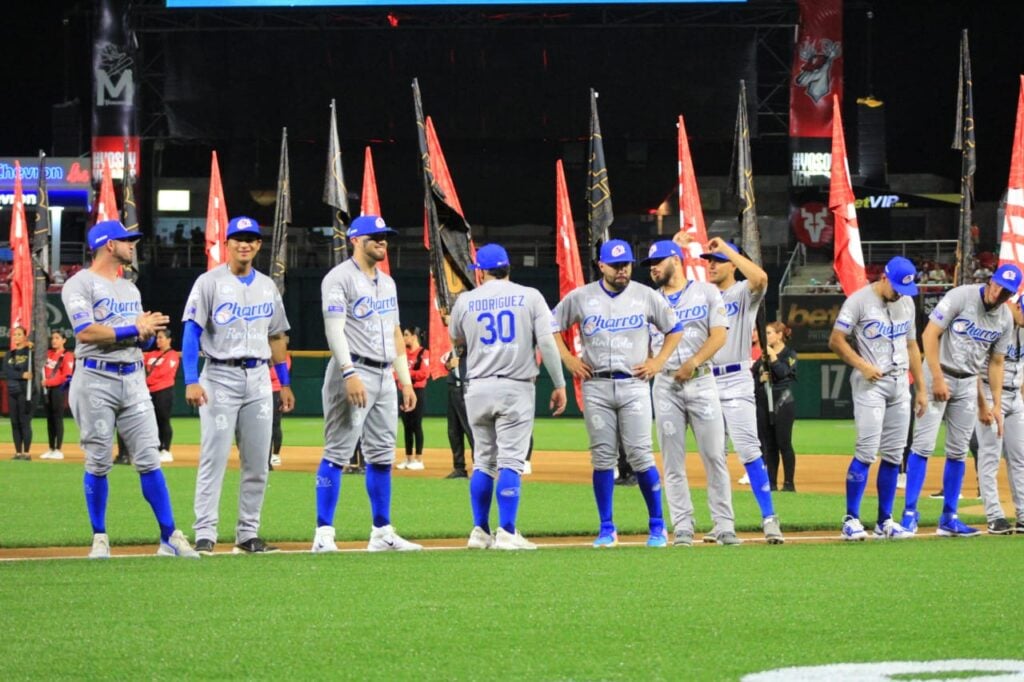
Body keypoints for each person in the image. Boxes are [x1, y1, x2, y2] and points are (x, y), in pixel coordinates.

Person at [60, 219, 197, 559]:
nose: (132, 244)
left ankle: (169, 536)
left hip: (133, 376)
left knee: (150, 458)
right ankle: (100, 537)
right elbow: (86, 333)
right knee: (98, 461)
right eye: (126, 240)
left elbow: (136, 335)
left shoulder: (130, 288)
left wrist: (147, 332)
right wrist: (132, 327)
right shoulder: (79, 284)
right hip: (95, 378)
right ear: (109, 244)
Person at [553, 239, 682, 548]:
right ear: (601, 266)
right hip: (596, 384)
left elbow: (675, 329)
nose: (622, 270)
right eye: (615, 265)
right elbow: (550, 325)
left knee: (640, 455)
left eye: (625, 264)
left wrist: (658, 362)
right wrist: (568, 358)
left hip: (634, 383)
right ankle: (607, 528)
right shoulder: (582, 297)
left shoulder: (646, 296)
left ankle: (657, 526)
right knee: (602, 459)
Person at [183, 216, 294, 555]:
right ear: (227, 243)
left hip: (260, 378)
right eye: (238, 238)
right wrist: (190, 379)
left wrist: (284, 381)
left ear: (259, 245)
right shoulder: (209, 282)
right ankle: (205, 533)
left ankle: (248, 534)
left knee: (258, 462)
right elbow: (191, 331)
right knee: (214, 457)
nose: (244, 244)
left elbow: (276, 335)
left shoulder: (267, 286)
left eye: (251, 239)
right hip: (219, 376)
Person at [312, 215, 421, 553]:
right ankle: (324, 533)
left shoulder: (387, 283)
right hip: (354, 369)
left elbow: (394, 333)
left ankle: (382, 531)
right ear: (354, 240)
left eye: (385, 236)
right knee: (338, 451)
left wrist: (405, 381)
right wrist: (348, 372)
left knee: (382, 455)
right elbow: (334, 329)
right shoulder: (338, 278)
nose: (382, 241)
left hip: (384, 374)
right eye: (375, 236)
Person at [449, 243, 567, 550]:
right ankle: (507, 531)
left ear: (481, 271)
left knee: (484, 462)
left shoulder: (465, 300)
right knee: (511, 462)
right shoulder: (530, 296)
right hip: (515, 386)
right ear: (508, 268)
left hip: (477, 387)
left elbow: (456, 339)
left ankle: (479, 530)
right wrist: (559, 383)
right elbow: (547, 343)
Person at [900, 264, 1019, 536]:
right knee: (923, 446)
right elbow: (929, 334)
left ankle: (949, 518)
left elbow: (997, 363)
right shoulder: (961, 296)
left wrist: (992, 404)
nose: (1000, 293)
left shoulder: (1004, 319)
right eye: (998, 285)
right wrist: (938, 378)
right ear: (991, 281)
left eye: (1007, 292)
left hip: (968, 383)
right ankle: (909, 514)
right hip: (937, 375)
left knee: (958, 451)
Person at [685, 233, 784, 544]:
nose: (711, 265)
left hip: (737, 378)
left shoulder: (743, 292)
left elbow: (760, 277)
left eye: (717, 261)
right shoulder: (702, 296)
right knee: (714, 455)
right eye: (708, 261)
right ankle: (721, 522)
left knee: (750, 450)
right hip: (705, 379)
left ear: (732, 264)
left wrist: (728, 249)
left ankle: (769, 518)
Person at [644, 240, 743, 547]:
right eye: (651, 264)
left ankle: (724, 525)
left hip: (701, 382)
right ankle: (683, 526)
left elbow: (719, 335)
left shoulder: (706, 292)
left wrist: (694, 362)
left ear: (676, 259)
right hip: (665, 386)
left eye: (659, 261)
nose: (654, 268)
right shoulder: (648, 300)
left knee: (715, 456)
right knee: (672, 462)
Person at [828, 256, 928, 540]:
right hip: (870, 383)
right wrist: (862, 365)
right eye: (897, 287)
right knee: (867, 451)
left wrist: (920, 388)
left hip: (899, 384)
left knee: (895, 455)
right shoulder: (859, 301)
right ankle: (851, 518)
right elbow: (836, 340)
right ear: (884, 277)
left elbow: (912, 345)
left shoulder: (906, 303)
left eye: (904, 289)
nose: (899, 293)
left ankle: (885, 520)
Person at [975, 297, 1024, 535]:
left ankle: (1023, 515)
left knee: (1020, 458)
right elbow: (973, 367)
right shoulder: (994, 327)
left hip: (1016, 397)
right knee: (990, 457)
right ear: (1015, 307)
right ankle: (994, 516)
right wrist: (983, 405)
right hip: (989, 393)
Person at [758, 322, 798, 491]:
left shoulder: (789, 353)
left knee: (784, 443)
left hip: (783, 401)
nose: (766, 337)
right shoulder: (763, 354)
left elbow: (783, 373)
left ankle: (789, 483)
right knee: (770, 445)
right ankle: (772, 483)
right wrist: (760, 377)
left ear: (780, 334)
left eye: (769, 333)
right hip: (766, 402)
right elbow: (754, 374)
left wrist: (773, 357)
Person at [144, 329, 179, 464]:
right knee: (153, 421)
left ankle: (166, 450)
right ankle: (156, 448)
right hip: (150, 391)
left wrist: (148, 380)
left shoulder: (172, 355)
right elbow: (144, 369)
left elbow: (163, 373)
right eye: (157, 338)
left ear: (169, 340)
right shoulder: (151, 354)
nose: (158, 340)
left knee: (163, 420)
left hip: (164, 391)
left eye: (161, 337)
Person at [397, 326, 429, 470]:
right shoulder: (403, 354)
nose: (404, 338)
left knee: (416, 424)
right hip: (403, 391)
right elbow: (396, 374)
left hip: (418, 391)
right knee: (407, 426)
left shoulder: (423, 353)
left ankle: (419, 459)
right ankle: (409, 458)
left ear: (414, 337)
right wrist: (407, 376)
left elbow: (424, 373)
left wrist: (407, 374)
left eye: (406, 335)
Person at [41, 330, 75, 460]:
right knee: (49, 420)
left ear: (64, 340)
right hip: (47, 390)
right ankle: (51, 448)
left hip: (58, 390)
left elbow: (67, 376)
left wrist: (48, 382)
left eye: (57, 338)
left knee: (57, 419)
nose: (54, 340)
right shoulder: (48, 354)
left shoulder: (67, 355)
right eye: (52, 338)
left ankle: (59, 449)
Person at [442, 349, 474, 478]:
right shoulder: (455, 350)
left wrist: (460, 365)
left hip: (466, 389)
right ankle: (459, 467)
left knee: (470, 429)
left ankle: (480, 467)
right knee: (453, 431)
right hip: (453, 388)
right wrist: (450, 364)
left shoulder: (473, 347)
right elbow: (448, 366)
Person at [4, 326, 33, 460]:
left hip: (24, 391)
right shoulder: (9, 354)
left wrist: (34, 348)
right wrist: (22, 374)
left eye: (19, 334)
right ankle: (18, 452)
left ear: (25, 337)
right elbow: (6, 372)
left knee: (24, 421)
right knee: (14, 422)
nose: (16, 337)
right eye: (14, 334)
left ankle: (26, 452)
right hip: (12, 391)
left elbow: (35, 368)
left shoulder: (29, 353)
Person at [268, 351, 292, 468]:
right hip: (261, 390)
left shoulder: (282, 355)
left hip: (276, 391)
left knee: (275, 424)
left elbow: (277, 374)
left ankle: (275, 455)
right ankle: (265, 457)